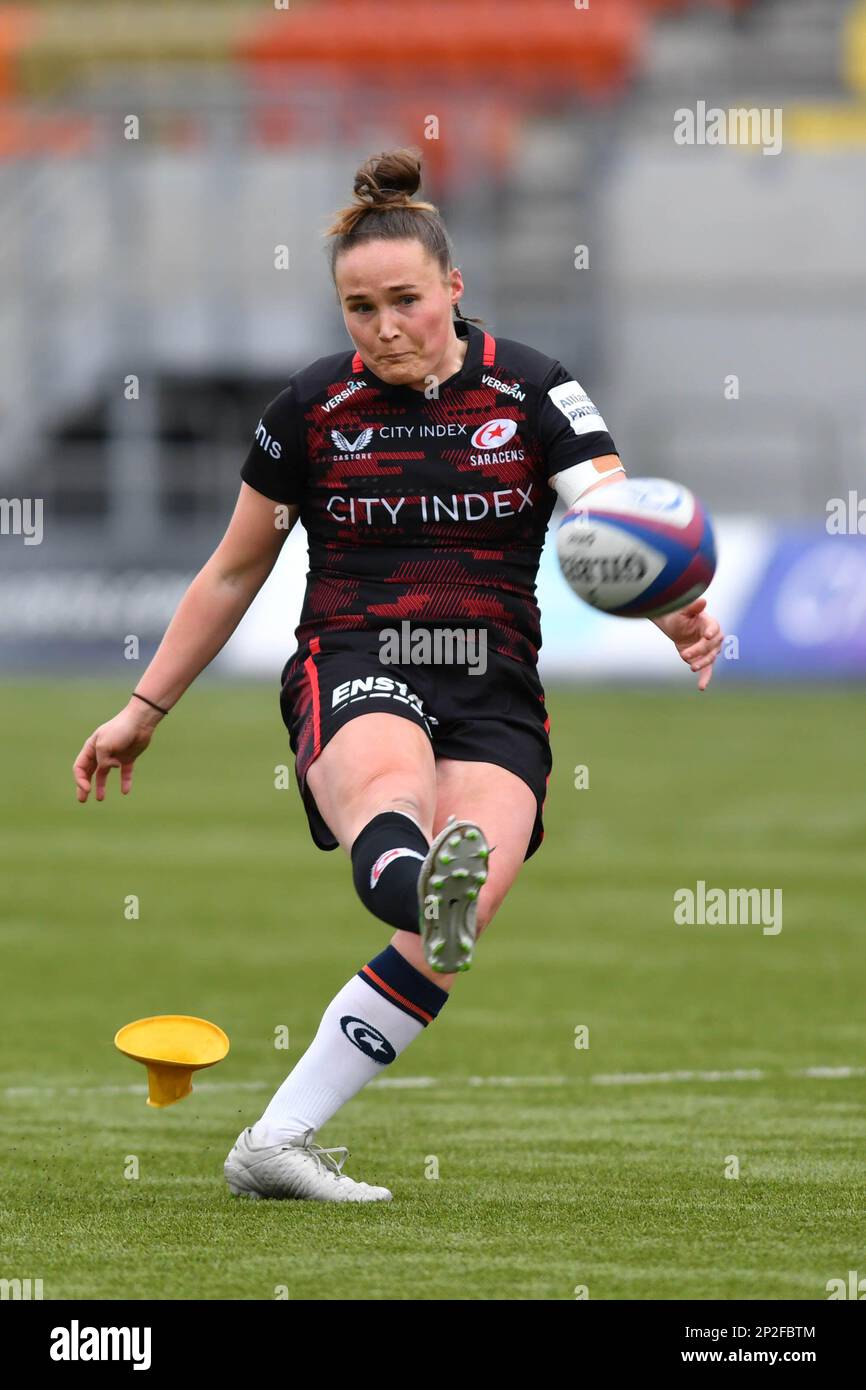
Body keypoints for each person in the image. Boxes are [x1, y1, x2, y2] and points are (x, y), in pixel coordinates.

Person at [73, 148, 724, 1203]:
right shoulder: (309, 410)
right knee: (392, 795)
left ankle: (272, 1143)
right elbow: (236, 567)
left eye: (405, 302)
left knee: (447, 931)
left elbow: (610, 518)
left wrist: (670, 608)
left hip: (493, 676)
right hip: (356, 652)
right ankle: (420, 873)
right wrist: (143, 707)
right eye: (358, 306)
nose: (382, 326)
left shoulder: (534, 386)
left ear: (453, 290)